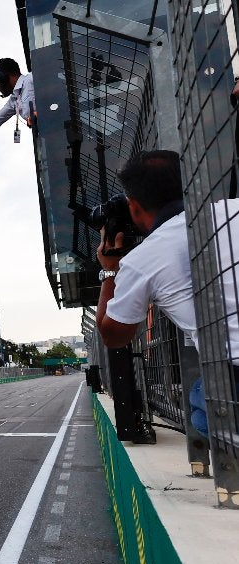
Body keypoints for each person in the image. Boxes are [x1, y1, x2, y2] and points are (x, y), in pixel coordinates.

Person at [94, 150, 201, 432]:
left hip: (232, 374)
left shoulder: (143, 259)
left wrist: (110, 269)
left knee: (200, 406)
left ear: (135, 207)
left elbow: (113, 336)